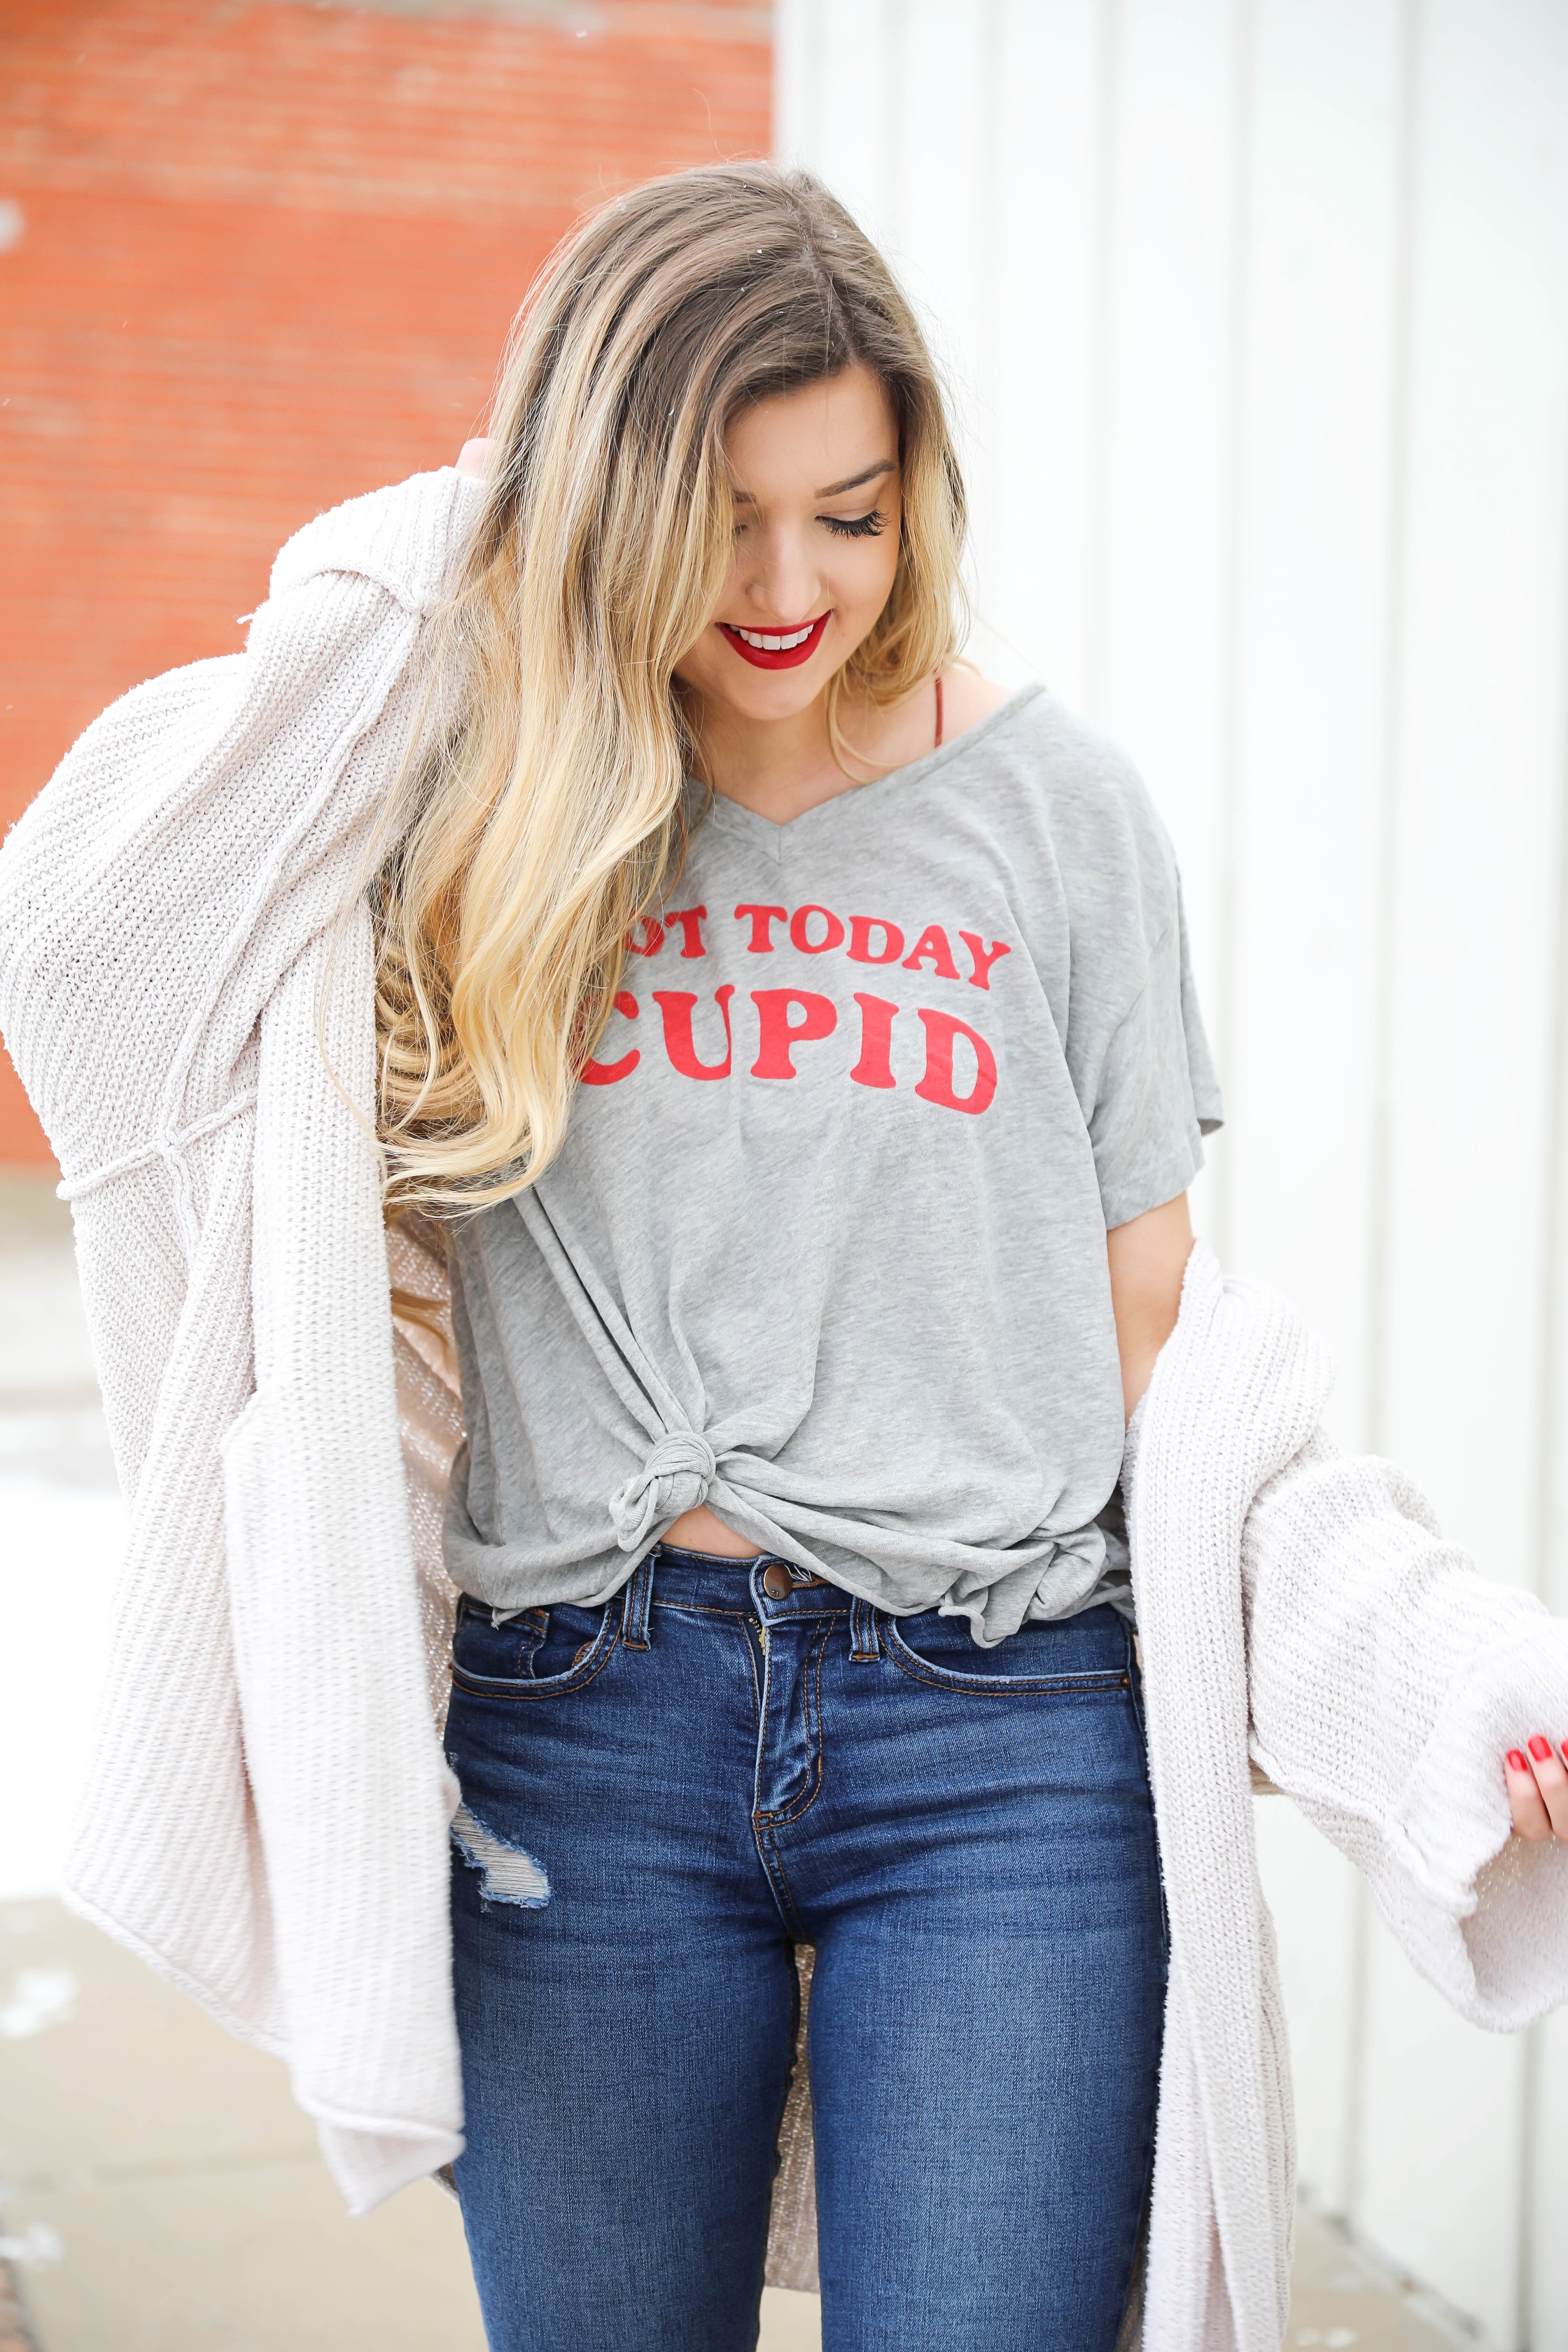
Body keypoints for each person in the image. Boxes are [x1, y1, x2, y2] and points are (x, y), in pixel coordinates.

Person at [2, 164, 1567, 2352]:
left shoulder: (1063, 815)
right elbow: (84, 942)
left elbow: (1175, 1367)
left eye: (853, 508)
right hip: (582, 1736)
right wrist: (479, 541)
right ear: (610, 495)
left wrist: (1435, 1670)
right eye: (719, 512)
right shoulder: (470, 799)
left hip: (1004, 1742)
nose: (791, 583)